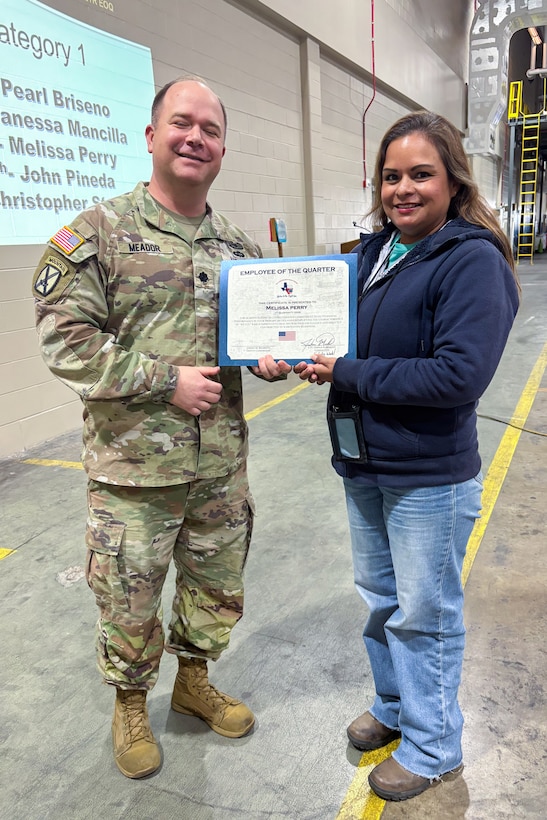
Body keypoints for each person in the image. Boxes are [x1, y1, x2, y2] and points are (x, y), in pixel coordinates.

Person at [32, 76, 290, 779]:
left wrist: (269, 360)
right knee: (128, 594)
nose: (194, 137)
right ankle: (130, 703)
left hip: (218, 466)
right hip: (134, 472)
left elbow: (255, 337)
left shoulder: (235, 246)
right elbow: (65, 342)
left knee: (214, 586)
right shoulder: (98, 233)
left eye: (209, 129)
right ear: (151, 137)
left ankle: (193, 681)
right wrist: (164, 380)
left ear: (222, 149)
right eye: (182, 123)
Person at [295, 111, 520, 801]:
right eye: (391, 176)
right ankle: (396, 708)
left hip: (426, 475)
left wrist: (347, 371)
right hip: (364, 462)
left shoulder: (472, 259)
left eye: (420, 174)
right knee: (381, 601)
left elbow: (457, 376)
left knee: (425, 613)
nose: (402, 189)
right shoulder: (367, 255)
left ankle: (432, 746)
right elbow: (322, 332)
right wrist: (288, 352)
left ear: (452, 181)